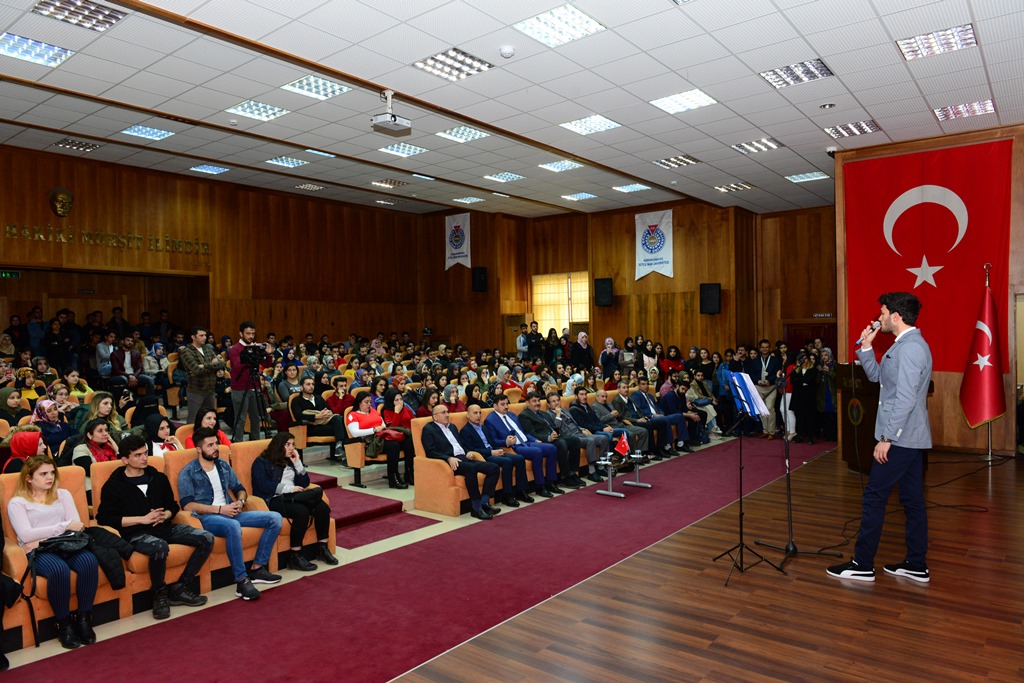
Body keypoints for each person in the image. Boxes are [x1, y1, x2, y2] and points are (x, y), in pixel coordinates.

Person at [828, 292, 932, 584]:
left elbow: (905, 398)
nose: (880, 318)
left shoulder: (911, 348)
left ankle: (862, 564)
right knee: (912, 500)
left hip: (900, 438)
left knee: (874, 497)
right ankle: (916, 564)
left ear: (896, 316)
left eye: (883, 313)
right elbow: (876, 378)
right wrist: (866, 346)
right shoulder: (903, 345)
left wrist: (887, 437)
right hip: (907, 438)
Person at [97, 435, 213, 619]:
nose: (144, 458)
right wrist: (141, 520)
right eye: (138, 455)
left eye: (145, 453)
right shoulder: (113, 485)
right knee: (159, 547)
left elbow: (172, 505)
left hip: (164, 527)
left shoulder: (158, 477)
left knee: (206, 538)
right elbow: (105, 518)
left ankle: (180, 587)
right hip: (135, 533)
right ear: (125, 460)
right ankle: (159, 593)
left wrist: (166, 514)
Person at [177, 427, 283, 600]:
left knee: (275, 518)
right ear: (198, 449)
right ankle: (241, 581)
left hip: (231, 512)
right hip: (208, 517)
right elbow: (188, 506)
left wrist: (240, 502)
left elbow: (240, 489)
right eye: (210, 445)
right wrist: (220, 509)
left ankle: (257, 568)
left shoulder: (223, 465)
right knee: (233, 525)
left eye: (216, 443)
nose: (215, 448)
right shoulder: (187, 472)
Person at [7, 455, 100, 648]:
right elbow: (26, 534)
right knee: (58, 570)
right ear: (29, 478)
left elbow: (76, 525)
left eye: (52, 473)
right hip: (39, 551)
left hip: (65, 544)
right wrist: (62, 526)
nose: (50, 477)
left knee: (89, 561)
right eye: (43, 474)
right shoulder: (17, 503)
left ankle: (84, 618)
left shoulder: (63, 494)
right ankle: (64, 624)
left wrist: (46, 534)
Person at [251, 432, 337, 571]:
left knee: (322, 507)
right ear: (278, 445)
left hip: (294, 496)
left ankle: (322, 547)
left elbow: (304, 483)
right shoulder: (262, 461)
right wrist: (289, 489)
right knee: (302, 511)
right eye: (288, 444)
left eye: (293, 445)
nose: (292, 448)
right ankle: (295, 555)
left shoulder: (291, 461)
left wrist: (298, 463)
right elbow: (262, 485)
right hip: (274, 499)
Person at [421, 404, 501, 520]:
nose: (447, 415)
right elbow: (430, 452)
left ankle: (484, 503)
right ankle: (476, 508)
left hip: (464, 458)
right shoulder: (429, 429)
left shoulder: (452, 427)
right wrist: (448, 458)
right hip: (450, 462)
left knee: (493, 468)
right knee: (471, 468)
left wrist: (468, 452)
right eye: (443, 413)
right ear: (435, 417)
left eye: (447, 412)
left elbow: (460, 445)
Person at [484, 394, 560, 498]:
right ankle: (540, 486)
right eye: (502, 404)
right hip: (515, 447)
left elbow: (523, 432)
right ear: (495, 406)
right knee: (537, 452)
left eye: (507, 403)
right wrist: (505, 442)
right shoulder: (490, 420)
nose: (506, 406)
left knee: (552, 448)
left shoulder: (512, 415)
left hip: (527, 442)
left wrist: (535, 439)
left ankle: (550, 482)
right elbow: (493, 441)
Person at [458, 403, 533, 508]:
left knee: (519, 459)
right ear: (468, 415)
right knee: (507, 462)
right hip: (483, 456)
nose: (478, 415)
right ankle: (507, 495)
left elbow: (492, 442)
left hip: (494, 452)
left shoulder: (484, 428)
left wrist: (499, 449)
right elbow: (471, 450)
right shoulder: (465, 431)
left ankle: (521, 491)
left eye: (480, 413)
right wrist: (491, 452)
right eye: (475, 413)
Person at [518, 392, 583, 490]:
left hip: (555, 436)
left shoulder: (543, 413)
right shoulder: (524, 415)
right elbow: (532, 433)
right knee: (561, 443)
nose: (537, 403)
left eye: (538, 401)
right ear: (527, 403)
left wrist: (557, 434)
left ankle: (572, 473)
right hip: (543, 440)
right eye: (534, 401)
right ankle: (565, 477)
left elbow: (554, 427)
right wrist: (548, 437)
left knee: (575, 440)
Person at [346, 392, 407, 489]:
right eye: (366, 402)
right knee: (393, 445)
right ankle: (393, 478)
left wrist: (378, 430)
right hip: (369, 443)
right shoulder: (352, 415)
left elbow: (383, 425)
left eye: (370, 402)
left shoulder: (374, 411)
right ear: (359, 403)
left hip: (380, 438)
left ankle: (407, 475)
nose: (369, 404)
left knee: (407, 441)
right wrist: (373, 430)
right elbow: (355, 433)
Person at [178, 326, 226, 421]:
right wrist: (213, 365)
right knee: (194, 420)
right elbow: (196, 370)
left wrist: (204, 365)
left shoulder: (208, 349)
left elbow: (222, 364)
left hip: (210, 390)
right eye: (201, 335)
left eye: (205, 335)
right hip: (196, 391)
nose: (204, 337)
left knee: (210, 419)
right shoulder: (187, 351)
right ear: (193, 337)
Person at [291, 376, 348, 448]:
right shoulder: (296, 400)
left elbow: (329, 409)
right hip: (310, 427)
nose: (311, 386)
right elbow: (298, 416)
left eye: (312, 384)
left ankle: (339, 446)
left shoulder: (318, 398)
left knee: (337, 418)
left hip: (324, 423)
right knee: (342, 428)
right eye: (308, 384)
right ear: (301, 387)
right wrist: (316, 416)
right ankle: (342, 448)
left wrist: (327, 412)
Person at [592, 388, 650, 454]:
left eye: (606, 396)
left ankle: (642, 453)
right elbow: (599, 420)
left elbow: (618, 415)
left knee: (643, 431)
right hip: (612, 427)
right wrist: (611, 415)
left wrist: (618, 414)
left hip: (622, 424)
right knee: (631, 434)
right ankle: (633, 455)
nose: (605, 398)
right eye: (602, 396)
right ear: (597, 397)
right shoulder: (595, 406)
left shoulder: (609, 404)